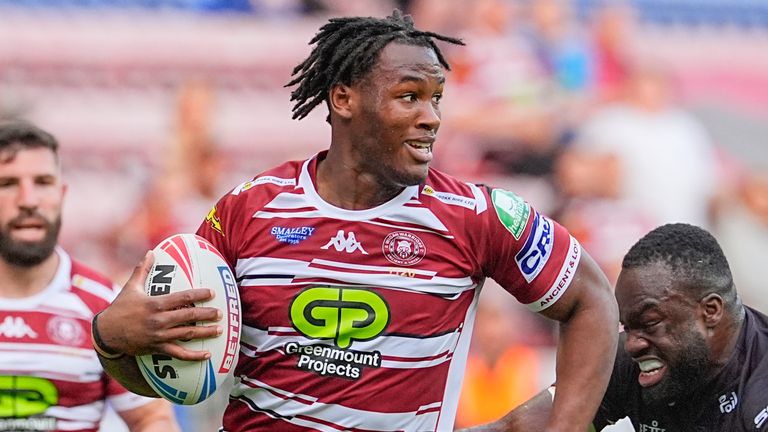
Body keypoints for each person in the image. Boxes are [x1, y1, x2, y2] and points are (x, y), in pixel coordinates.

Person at [92, 10, 619, 432]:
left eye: (436, 98)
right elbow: (169, 371)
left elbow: (593, 301)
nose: (432, 115)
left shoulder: (475, 217)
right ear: (343, 97)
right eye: (409, 96)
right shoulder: (249, 210)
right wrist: (113, 340)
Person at [467, 223, 768, 431]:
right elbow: (525, 427)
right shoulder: (633, 365)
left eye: (650, 323)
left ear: (710, 312)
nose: (633, 344)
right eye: (627, 326)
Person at [0, 120, 179, 432]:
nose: (28, 200)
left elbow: (152, 417)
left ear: (61, 193)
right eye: (7, 183)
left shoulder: (105, 307)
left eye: (42, 182)